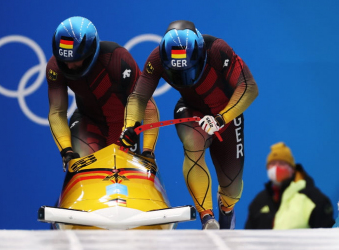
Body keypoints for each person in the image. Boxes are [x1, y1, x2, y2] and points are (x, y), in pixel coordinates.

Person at [120, 20, 258, 229]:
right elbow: (138, 97)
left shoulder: (218, 50)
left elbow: (249, 87)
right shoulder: (157, 58)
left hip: (227, 115)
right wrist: (130, 125)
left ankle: (226, 208)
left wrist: (221, 118)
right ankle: (207, 218)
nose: (185, 77)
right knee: (192, 143)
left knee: (232, 188)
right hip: (192, 110)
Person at [46, 16, 159, 170]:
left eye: (75, 59)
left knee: (123, 173)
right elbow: (57, 112)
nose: (69, 66)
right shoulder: (55, 67)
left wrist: (148, 151)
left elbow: (147, 105)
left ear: (91, 52)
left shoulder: (117, 58)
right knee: (85, 170)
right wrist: (66, 150)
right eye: (64, 60)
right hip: (87, 121)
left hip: (124, 127)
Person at [245, 142, 335, 229]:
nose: (276, 168)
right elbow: (247, 238)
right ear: (267, 168)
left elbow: (326, 238)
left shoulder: (313, 198)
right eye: (272, 164)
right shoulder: (259, 201)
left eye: (282, 163)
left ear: (292, 169)